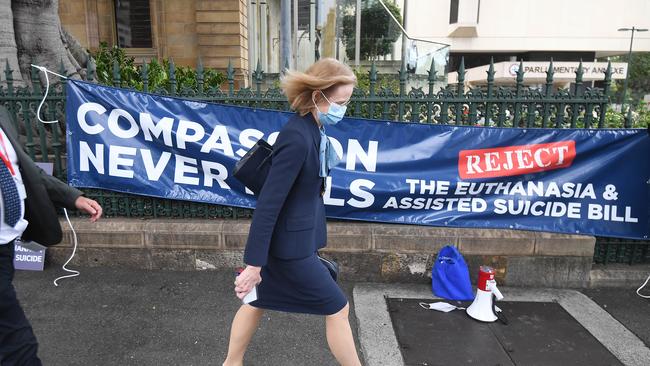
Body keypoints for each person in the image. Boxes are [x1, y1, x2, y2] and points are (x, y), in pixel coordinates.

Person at [223, 58, 362, 366]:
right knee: (338, 308)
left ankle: (231, 364)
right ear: (317, 97)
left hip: (291, 242)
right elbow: (269, 204)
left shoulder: (312, 130)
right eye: (340, 101)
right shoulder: (297, 137)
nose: (344, 108)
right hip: (290, 251)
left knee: (256, 300)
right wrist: (254, 266)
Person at [0, 106, 103, 365]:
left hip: (7, 242)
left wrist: (72, 197)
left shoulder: (2, 114)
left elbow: (24, 169)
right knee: (18, 345)